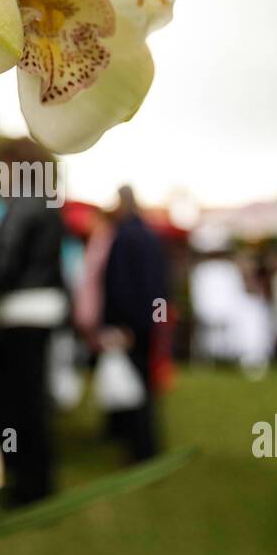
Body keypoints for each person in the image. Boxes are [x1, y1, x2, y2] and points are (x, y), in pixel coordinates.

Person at [0, 140, 68, 504]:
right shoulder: (45, 201)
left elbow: (7, 257)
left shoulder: (24, 202)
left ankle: (30, 484)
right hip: (41, 310)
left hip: (22, 313)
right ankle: (34, 478)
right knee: (32, 399)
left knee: (21, 402)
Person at [101, 186, 169, 462]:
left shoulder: (125, 237)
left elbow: (122, 285)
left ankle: (142, 448)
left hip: (132, 322)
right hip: (148, 320)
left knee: (136, 387)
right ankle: (141, 443)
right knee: (144, 385)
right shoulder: (150, 236)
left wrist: (119, 323)